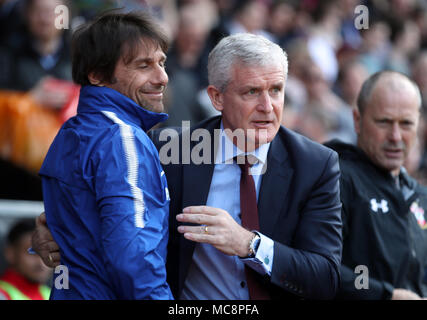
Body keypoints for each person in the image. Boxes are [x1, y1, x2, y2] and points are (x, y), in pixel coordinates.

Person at [33, 33, 343, 300]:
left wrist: (250, 244)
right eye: (252, 92)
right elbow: (114, 223)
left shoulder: (315, 164)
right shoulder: (169, 151)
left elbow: (326, 276)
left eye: (276, 90)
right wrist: (56, 233)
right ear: (216, 97)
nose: (268, 106)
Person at [35, 11, 173, 299]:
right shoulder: (122, 138)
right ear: (97, 75)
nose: (162, 78)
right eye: (143, 65)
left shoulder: (70, 131)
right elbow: (132, 257)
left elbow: (70, 225)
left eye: (161, 63)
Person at [325, 71, 427, 300]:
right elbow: (321, 267)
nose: (395, 136)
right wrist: (385, 295)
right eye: (384, 122)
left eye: (406, 124)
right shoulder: (335, 178)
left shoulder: (420, 195)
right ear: (357, 120)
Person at [0, 219, 51, 300]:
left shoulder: (50, 294)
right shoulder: (2, 295)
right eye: (32, 253)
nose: (41, 262)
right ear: (10, 253)